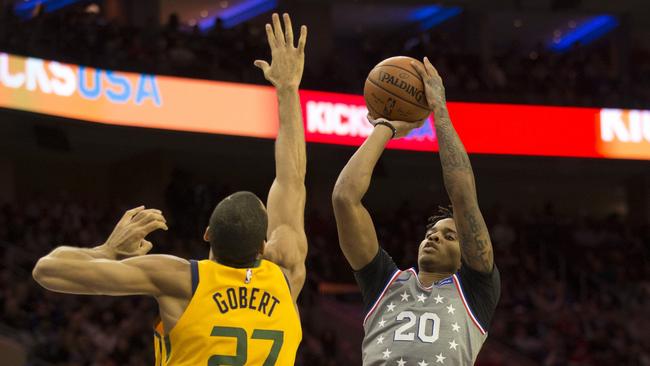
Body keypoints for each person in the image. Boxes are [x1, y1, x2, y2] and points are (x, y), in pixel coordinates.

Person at [32, 13, 308, 365]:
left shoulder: (179, 278)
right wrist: (288, 90)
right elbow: (292, 179)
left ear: (207, 234)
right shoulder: (287, 274)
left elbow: (47, 270)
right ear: (264, 246)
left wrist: (108, 250)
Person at [332, 57, 500, 365]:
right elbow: (345, 198)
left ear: (467, 255)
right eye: (432, 233)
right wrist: (385, 127)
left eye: (449, 236)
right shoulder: (383, 282)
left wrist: (441, 112)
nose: (434, 237)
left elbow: (463, 195)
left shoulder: (476, 291)